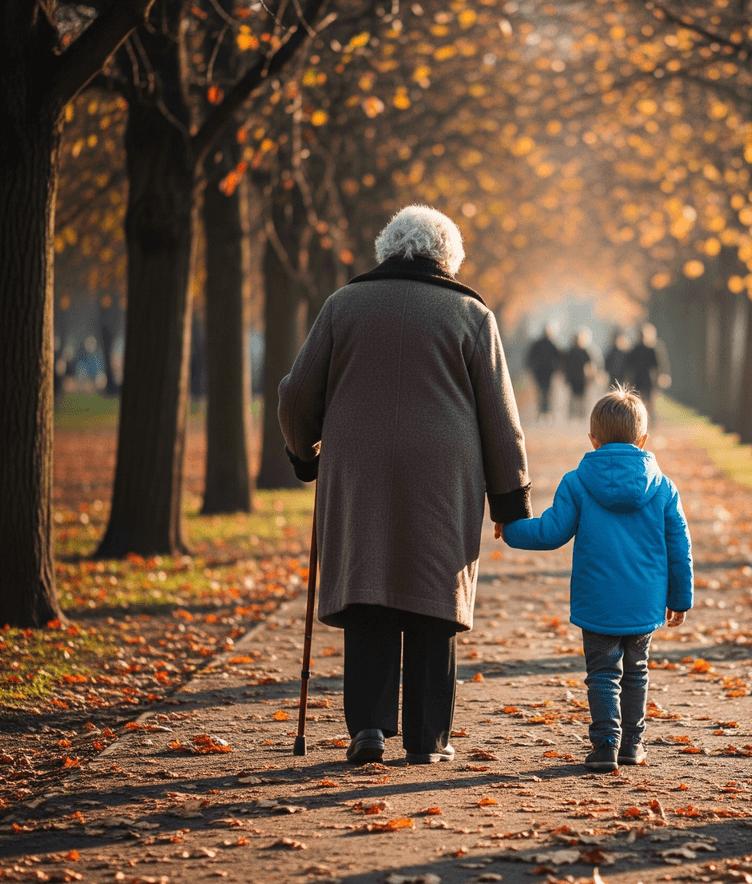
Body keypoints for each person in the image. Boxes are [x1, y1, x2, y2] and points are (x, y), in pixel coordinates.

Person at [277, 205, 531, 767]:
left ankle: (367, 728)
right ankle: (426, 738)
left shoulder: (343, 305)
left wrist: (304, 454)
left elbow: (296, 394)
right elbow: (499, 414)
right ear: (449, 258)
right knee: (432, 594)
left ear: (388, 249)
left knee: (368, 587)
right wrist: (511, 499)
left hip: (359, 471)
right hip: (443, 476)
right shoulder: (471, 314)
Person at [496, 385, 693, 771]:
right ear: (643, 438)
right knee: (636, 673)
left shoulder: (578, 482)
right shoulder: (663, 487)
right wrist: (680, 598)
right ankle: (633, 745)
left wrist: (511, 528)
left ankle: (605, 745)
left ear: (593, 438)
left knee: (602, 673)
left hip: (597, 600)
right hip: (645, 600)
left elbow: (551, 532)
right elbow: (679, 546)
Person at [625, 323, 671, 412]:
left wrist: (663, 375)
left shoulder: (655, 349)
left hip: (651, 381)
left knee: (651, 403)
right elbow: (629, 365)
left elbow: (661, 364)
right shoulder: (636, 349)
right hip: (638, 381)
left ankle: (651, 422)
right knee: (638, 402)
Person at [526, 325, 562, 419]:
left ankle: (544, 412)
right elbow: (558, 358)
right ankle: (545, 412)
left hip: (544, 372)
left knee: (543, 392)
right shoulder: (550, 344)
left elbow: (558, 358)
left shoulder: (540, 344)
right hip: (543, 372)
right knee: (546, 392)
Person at [561, 329, 595, 420]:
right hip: (574, 378)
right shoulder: (571, 352)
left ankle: (580, 415)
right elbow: (564, 366)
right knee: (574, 397)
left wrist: (591, 376)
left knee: (581, 398)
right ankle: (573, 415)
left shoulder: (583, 352)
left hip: (581, 378)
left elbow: (591, 365)